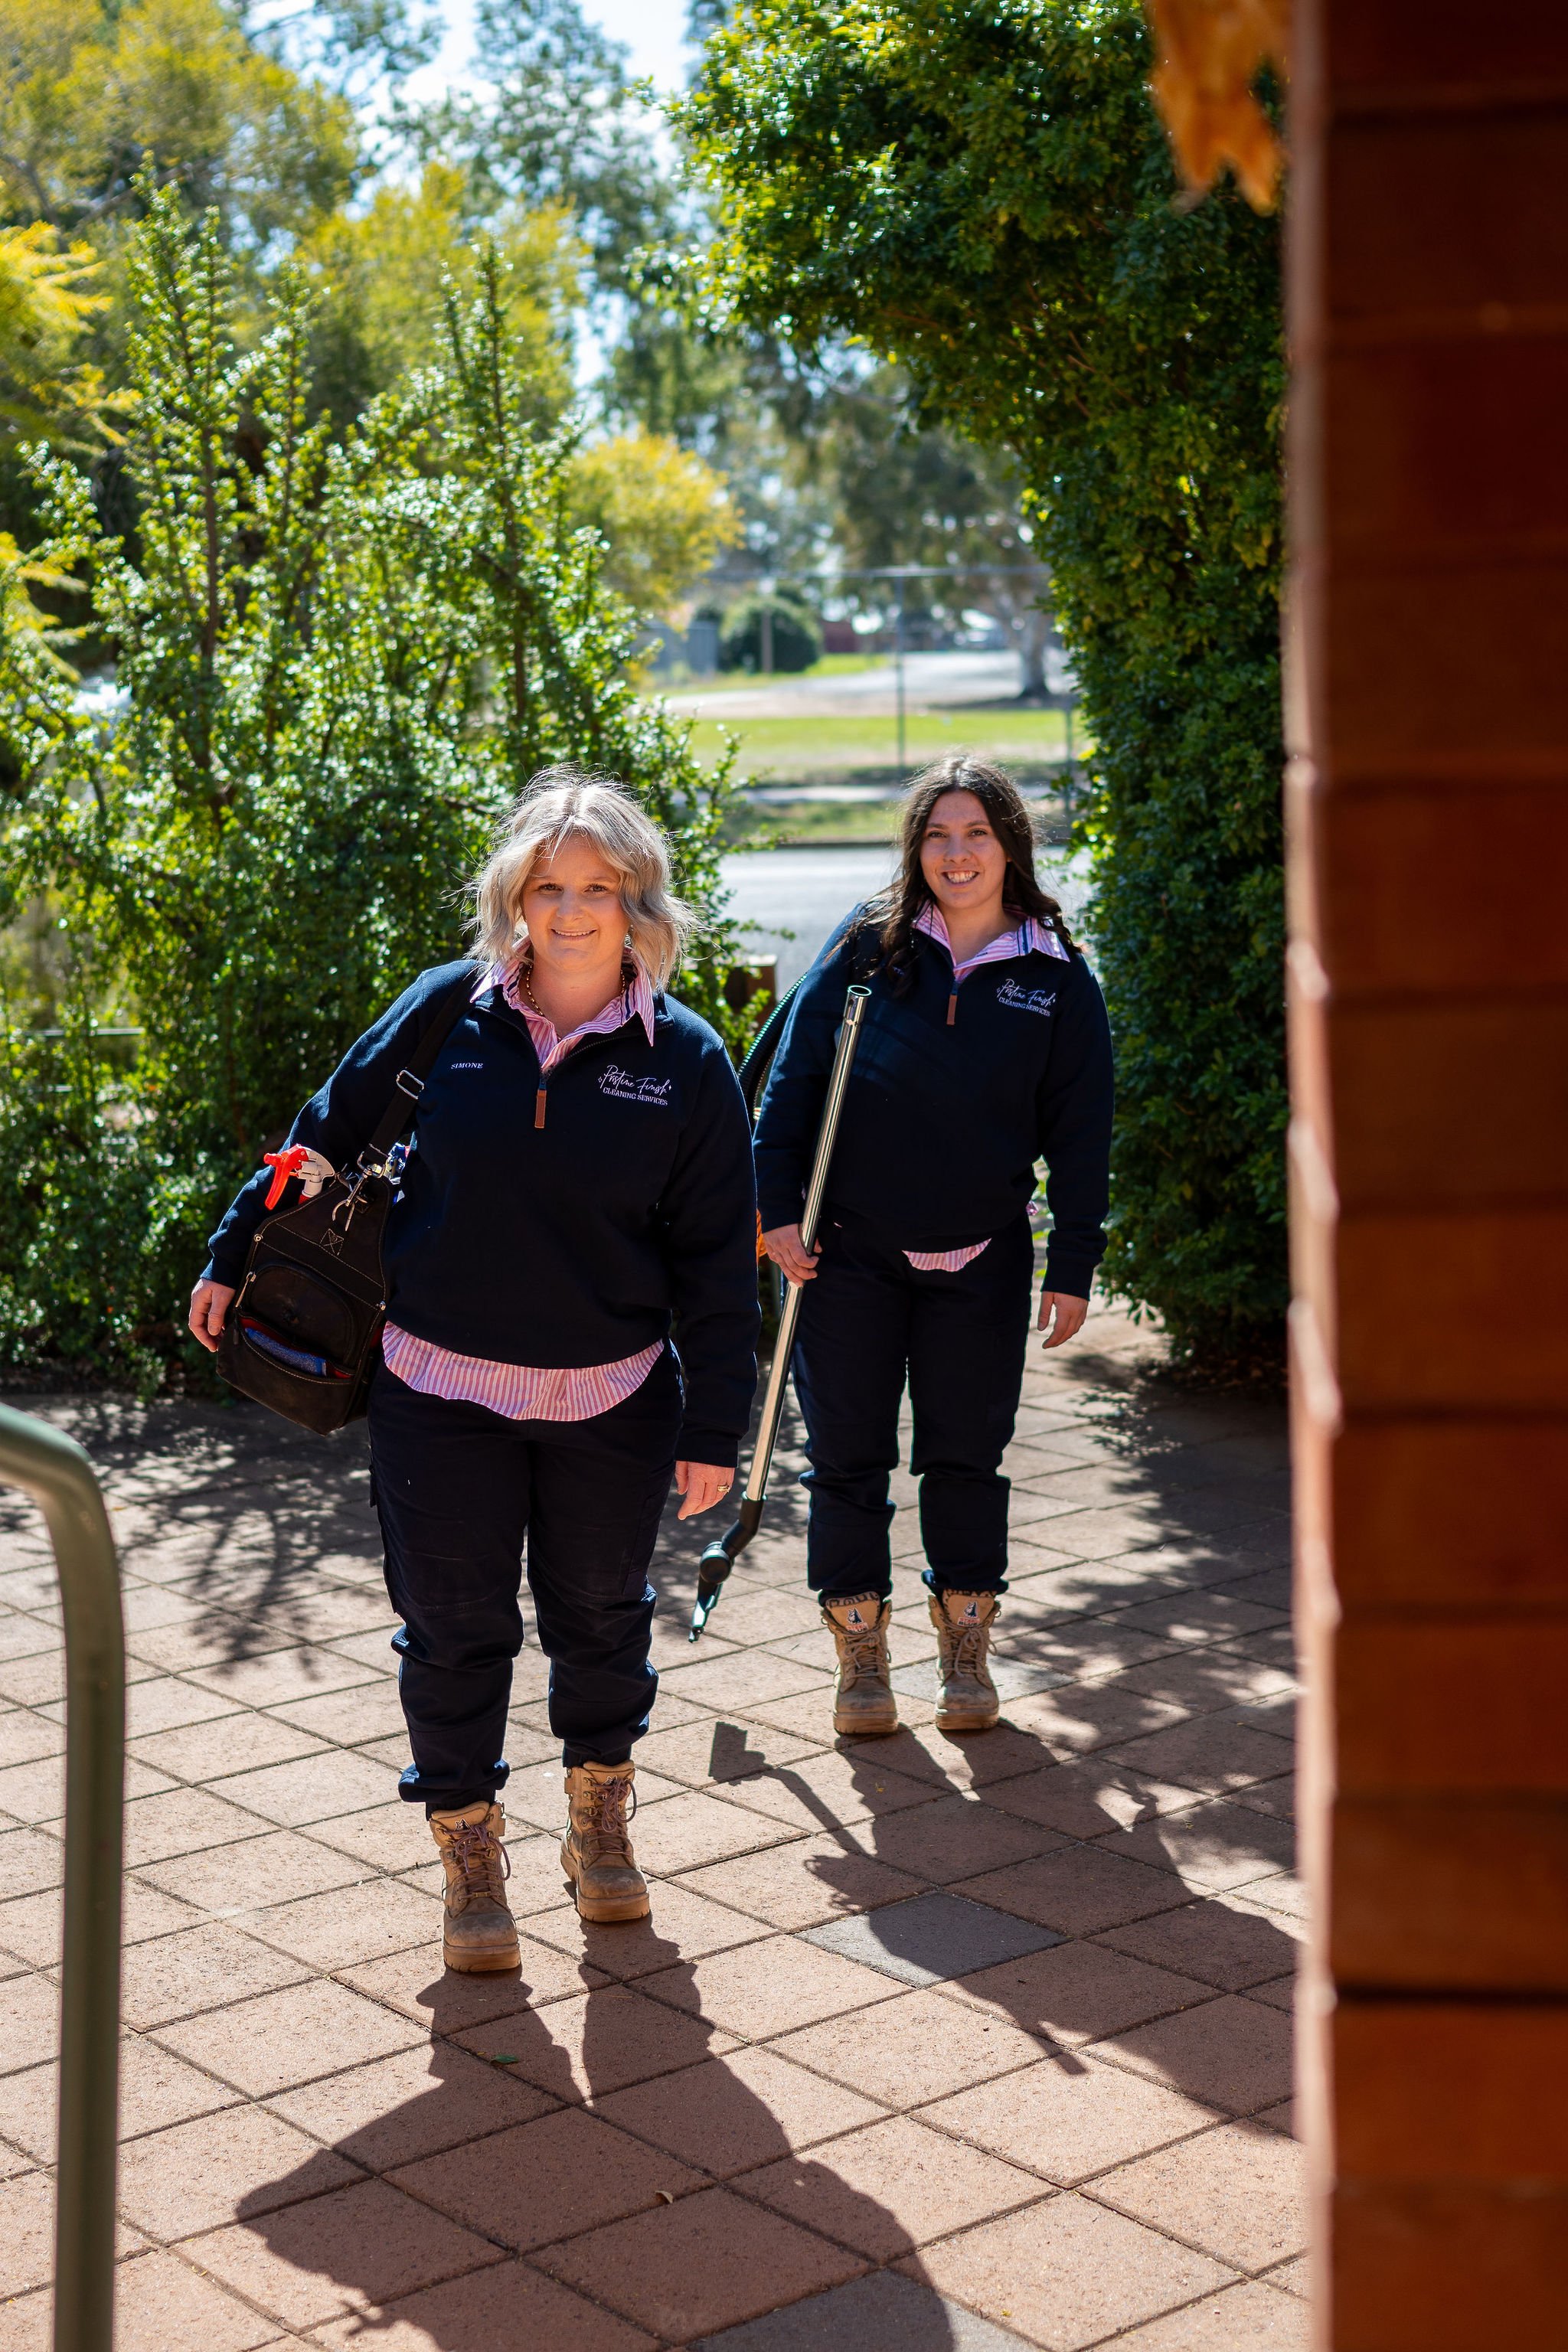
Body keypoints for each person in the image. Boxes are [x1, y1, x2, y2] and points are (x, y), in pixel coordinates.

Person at [188, 769, 759, 1968]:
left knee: (601, 1621)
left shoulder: (690, 1061)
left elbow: (716, 1264)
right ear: (515, 898)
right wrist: (234, 1248)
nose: (568, 911)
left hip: (610, 1404)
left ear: (636, 903)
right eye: (547, 886)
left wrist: (716, 1426)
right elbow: (325, 1128)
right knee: (451, 1631)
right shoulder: (449, 1010)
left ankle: (600, 1823)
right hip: (438, 1392)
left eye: (596, 889)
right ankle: (471, 1854)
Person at [754, 754, 1113, 1739]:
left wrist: (1072, 1264)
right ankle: (860, 1657)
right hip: (849, 1257)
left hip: (981, 1261)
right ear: (915, 847)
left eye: (976, 835)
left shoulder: (1052, 975)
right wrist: (772, 1208)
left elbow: (1082, 1134)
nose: (956, 855)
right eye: (937, 835)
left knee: (965, 1460)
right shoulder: (870, 948)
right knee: (845, 1460)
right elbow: (792, 1081)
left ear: (1010, 846)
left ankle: (965, 1645)